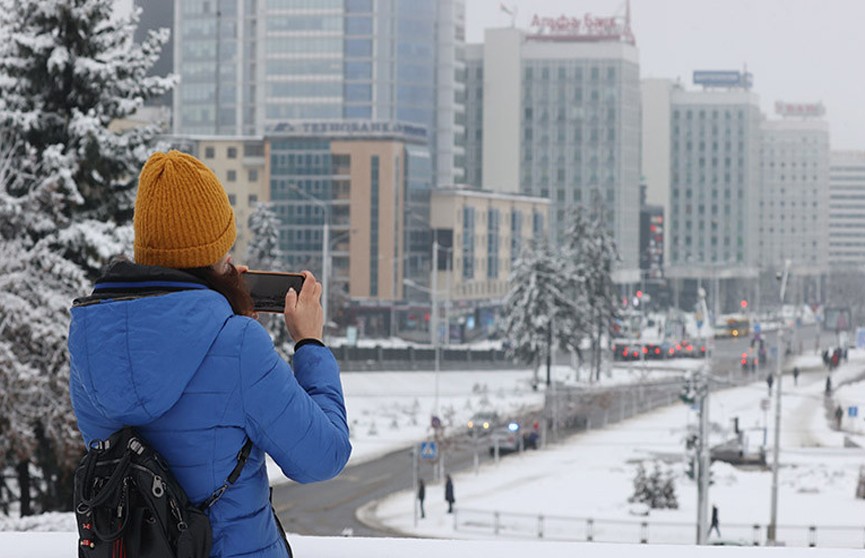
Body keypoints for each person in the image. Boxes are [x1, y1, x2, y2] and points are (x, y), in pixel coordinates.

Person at [68, 151, 352, 558]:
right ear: (213, 251)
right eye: (225, 245)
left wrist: (218, 308)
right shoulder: (238, 344)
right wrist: (309, 343)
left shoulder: (90, 339)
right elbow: (323, 457)